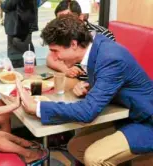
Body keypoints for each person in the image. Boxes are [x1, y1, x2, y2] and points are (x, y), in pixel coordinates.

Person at [16, 14, 153, 166]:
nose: (54, 57)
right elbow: (111, 80)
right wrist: (92, 86)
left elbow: (88, 112)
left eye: (55, 51)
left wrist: (38, 108)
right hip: (128, 115)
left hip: (147, 121)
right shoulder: (95, 46)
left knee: (94, 158)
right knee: (76, 146)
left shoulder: (110, 58)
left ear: (73, 44)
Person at [47, 0, 115, 78]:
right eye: (59, 21)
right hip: (70, 79)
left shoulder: (102, 34)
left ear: (81, 17)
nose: (63, 25)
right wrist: (66, 70)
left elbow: (107, 67)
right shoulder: (62, 33)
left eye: (68, 19)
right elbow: (51, 58)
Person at [2, 0, 38, 68]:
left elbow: (6, 6)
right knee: (25, 54)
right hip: (19, 26)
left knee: (20, 57)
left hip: (19, 27)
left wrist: (4, 4)